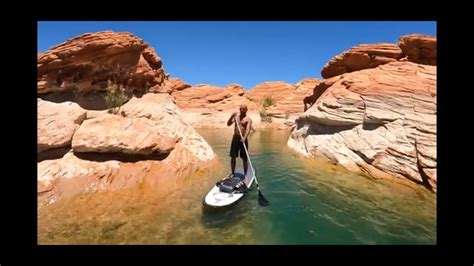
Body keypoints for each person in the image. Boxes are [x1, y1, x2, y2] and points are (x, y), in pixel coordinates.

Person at [227, 104, 252, 182]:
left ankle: (245, 176)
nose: (242, 110)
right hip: (235, 138)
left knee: (244, 158)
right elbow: (228, 124)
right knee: (233, 157)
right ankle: (233, 173)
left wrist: (244, 138)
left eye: (243, 109)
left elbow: (248, 130)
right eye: (240, 109)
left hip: (243, 139)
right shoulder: (236, 117)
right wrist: (231, 116)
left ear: (246, 110)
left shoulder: (248, 119)